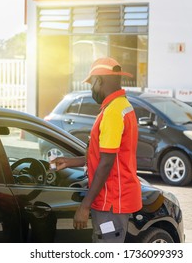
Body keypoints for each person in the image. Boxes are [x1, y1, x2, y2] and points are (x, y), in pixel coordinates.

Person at [52, 57, 142, 243]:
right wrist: (71, 162)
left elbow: (107, 162)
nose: (91, 88)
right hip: (115, 197)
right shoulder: (120, 106)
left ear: (99, 81)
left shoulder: (113, 113)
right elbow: (104, 155)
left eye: (91, 83)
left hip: (110, 200)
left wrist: (85, 206)